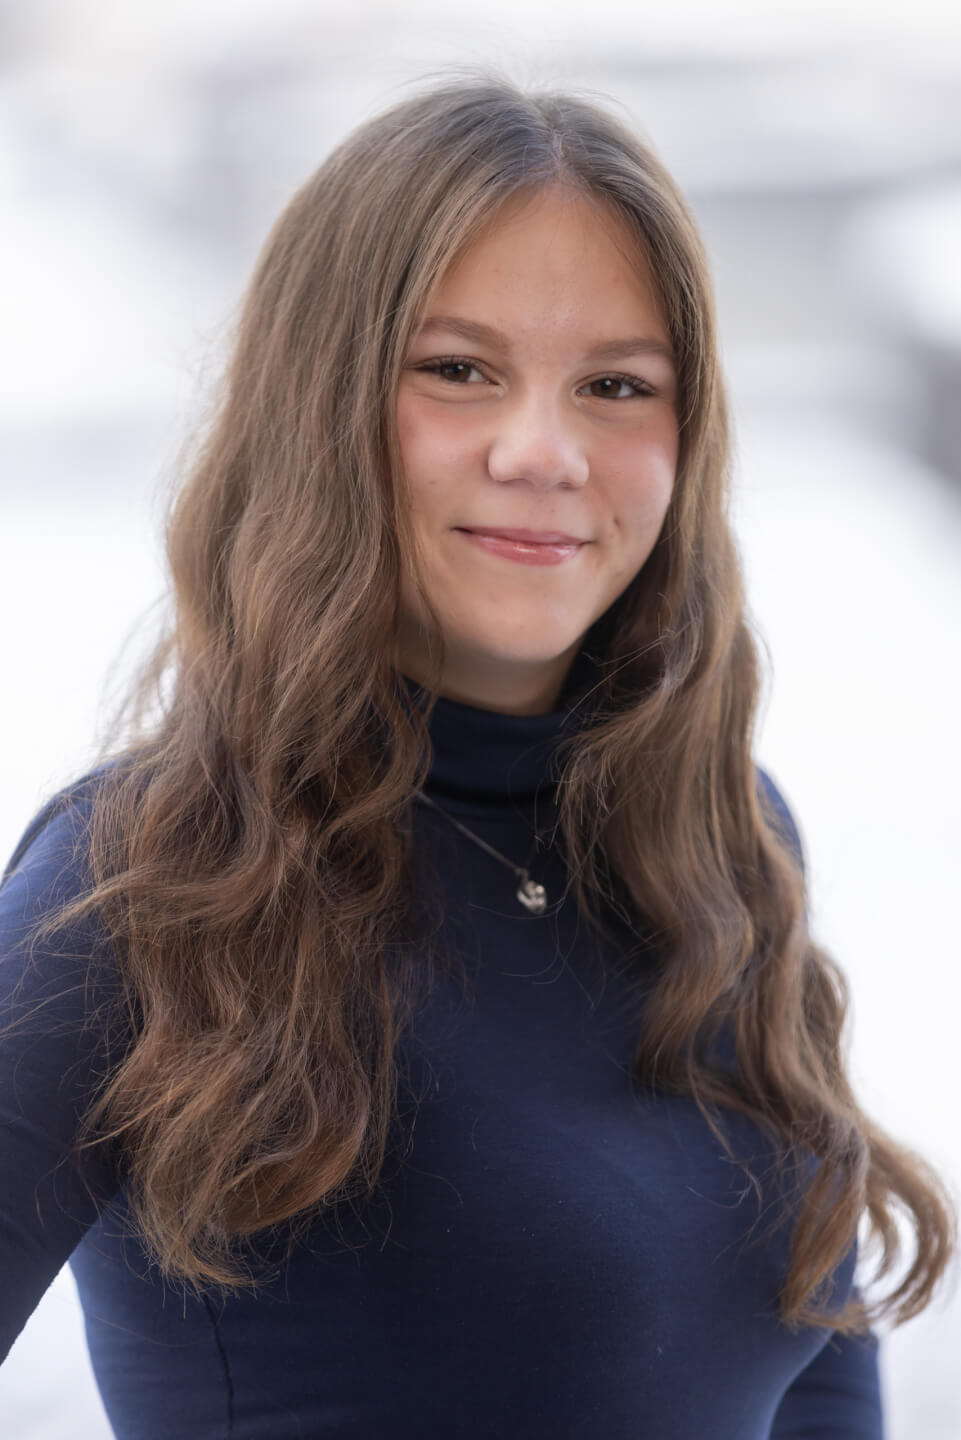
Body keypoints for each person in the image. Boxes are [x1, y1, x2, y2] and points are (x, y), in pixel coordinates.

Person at [0, 70, 955, 1439]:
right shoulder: (155, 883)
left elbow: (822, 1397)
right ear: (320, 407)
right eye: (459, 371)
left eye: (616, 385)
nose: (543, 451)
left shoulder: (716, 847)